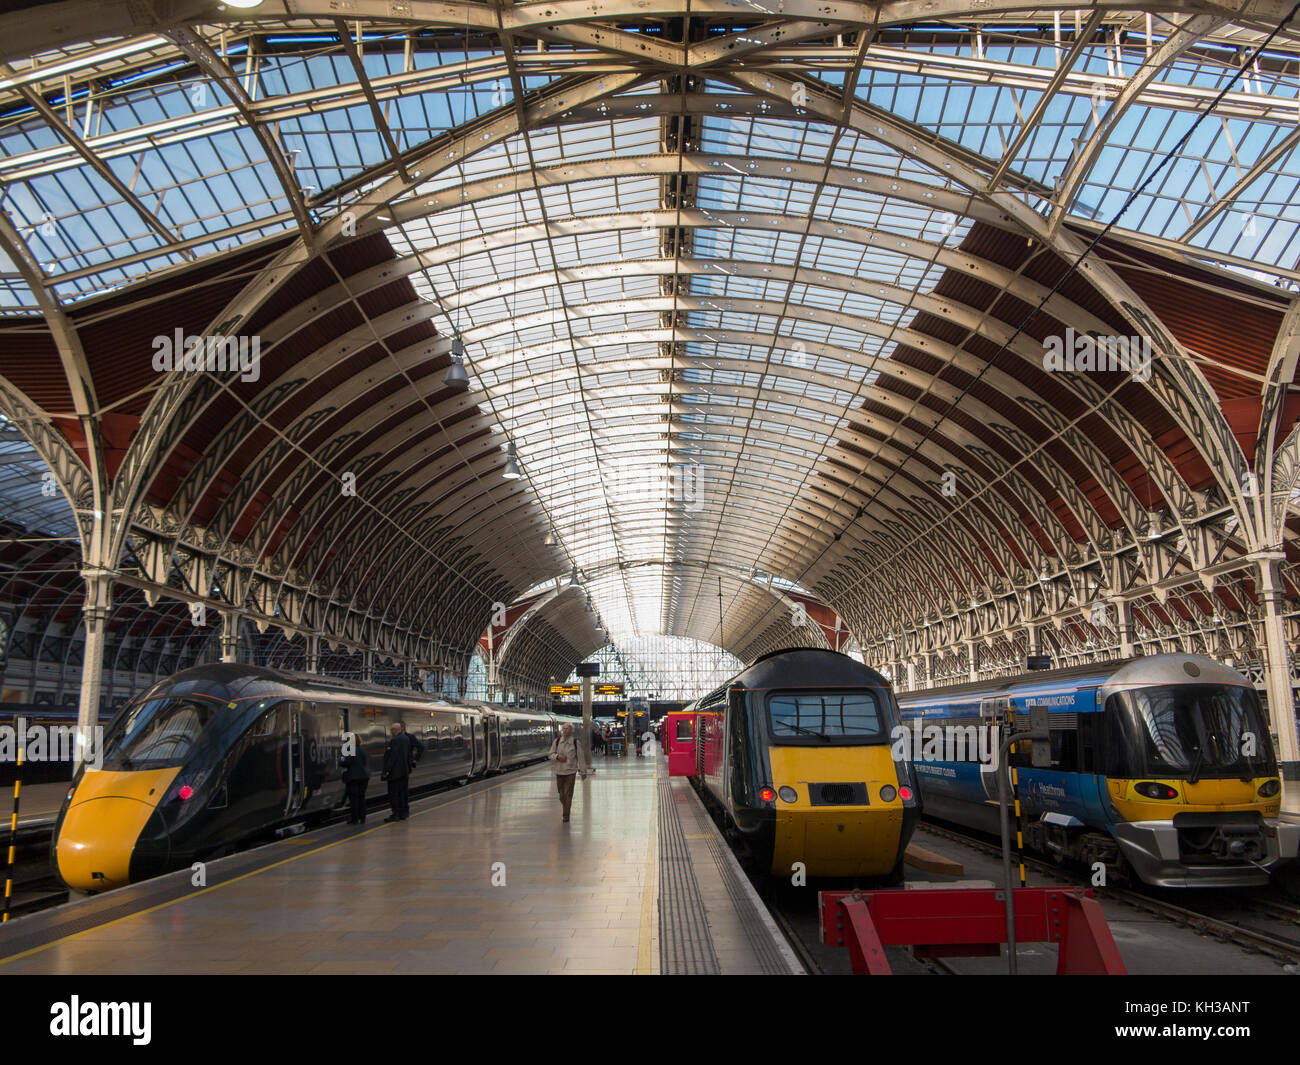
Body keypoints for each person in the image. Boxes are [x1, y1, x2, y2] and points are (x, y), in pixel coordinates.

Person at [547, 722, 590, 823]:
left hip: (570, 772)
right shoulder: (557, 742)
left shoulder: (575, 742)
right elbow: (550, 754)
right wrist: (557, 756)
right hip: (559, 772)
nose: (565, 731)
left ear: (571, 731)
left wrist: (583, 772)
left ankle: (566, 815)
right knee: (561, 795)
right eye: (564, 729)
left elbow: (580, 758)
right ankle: (565, 808)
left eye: (567, 729)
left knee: (568, 794)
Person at [381, 721, 414, 822]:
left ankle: (396, 814)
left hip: (395, 773)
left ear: (396, 730)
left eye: (392, 729)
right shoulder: (406, 739)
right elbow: (408, 755)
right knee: (403, 793)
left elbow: (392, 757)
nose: (391, 731)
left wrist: (386, 771)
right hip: (404, 772)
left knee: (394, 794)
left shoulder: (395, 740)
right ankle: (403, 813)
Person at [339, 731, 370, 824]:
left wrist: (340, 758)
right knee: (362, 797)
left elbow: (346, 762)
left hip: (353, 777)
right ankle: (363, 817)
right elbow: (364, 762)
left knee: (354, 799)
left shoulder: (350, 750)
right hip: (364, 776)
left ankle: (354, 818)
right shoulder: (363, 750)